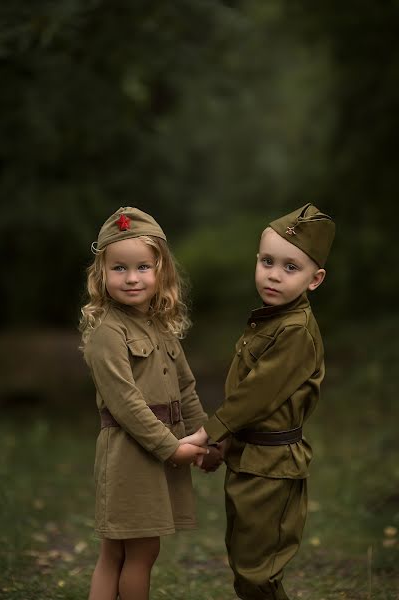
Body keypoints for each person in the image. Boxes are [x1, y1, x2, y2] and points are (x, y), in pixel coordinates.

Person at [181, 203, 335, 600]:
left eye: (290, 267)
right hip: (250, 460)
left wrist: (208, 433)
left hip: (273, 468)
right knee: (245, 561)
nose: (273, 274)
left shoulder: (297, 331)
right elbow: (247, 398)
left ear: (314, 279)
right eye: (267, 261)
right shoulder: (271, 321)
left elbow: (257, 395)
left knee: (258, 573)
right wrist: (225, 444)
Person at [79, 206, 222, 600]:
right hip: (131, 455)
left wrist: (207, 438)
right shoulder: (107, 333)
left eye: (143, 267)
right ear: (101, 274)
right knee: (135, 553)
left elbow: (186, 388)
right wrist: (171, 448)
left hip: (159, 451)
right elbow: (125, 403)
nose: (131, 278)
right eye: (119, 268)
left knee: (121, 552)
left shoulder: (161, 327)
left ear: (162, 272)